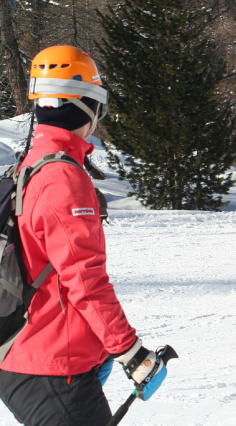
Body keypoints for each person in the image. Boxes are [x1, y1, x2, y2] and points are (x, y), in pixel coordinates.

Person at [0, 45, 169, 425]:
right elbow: (84, 279)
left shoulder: (30, 166)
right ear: (90, 106)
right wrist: (129, 351)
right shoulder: (62, 177)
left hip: (29, 355)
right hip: (52, 366)